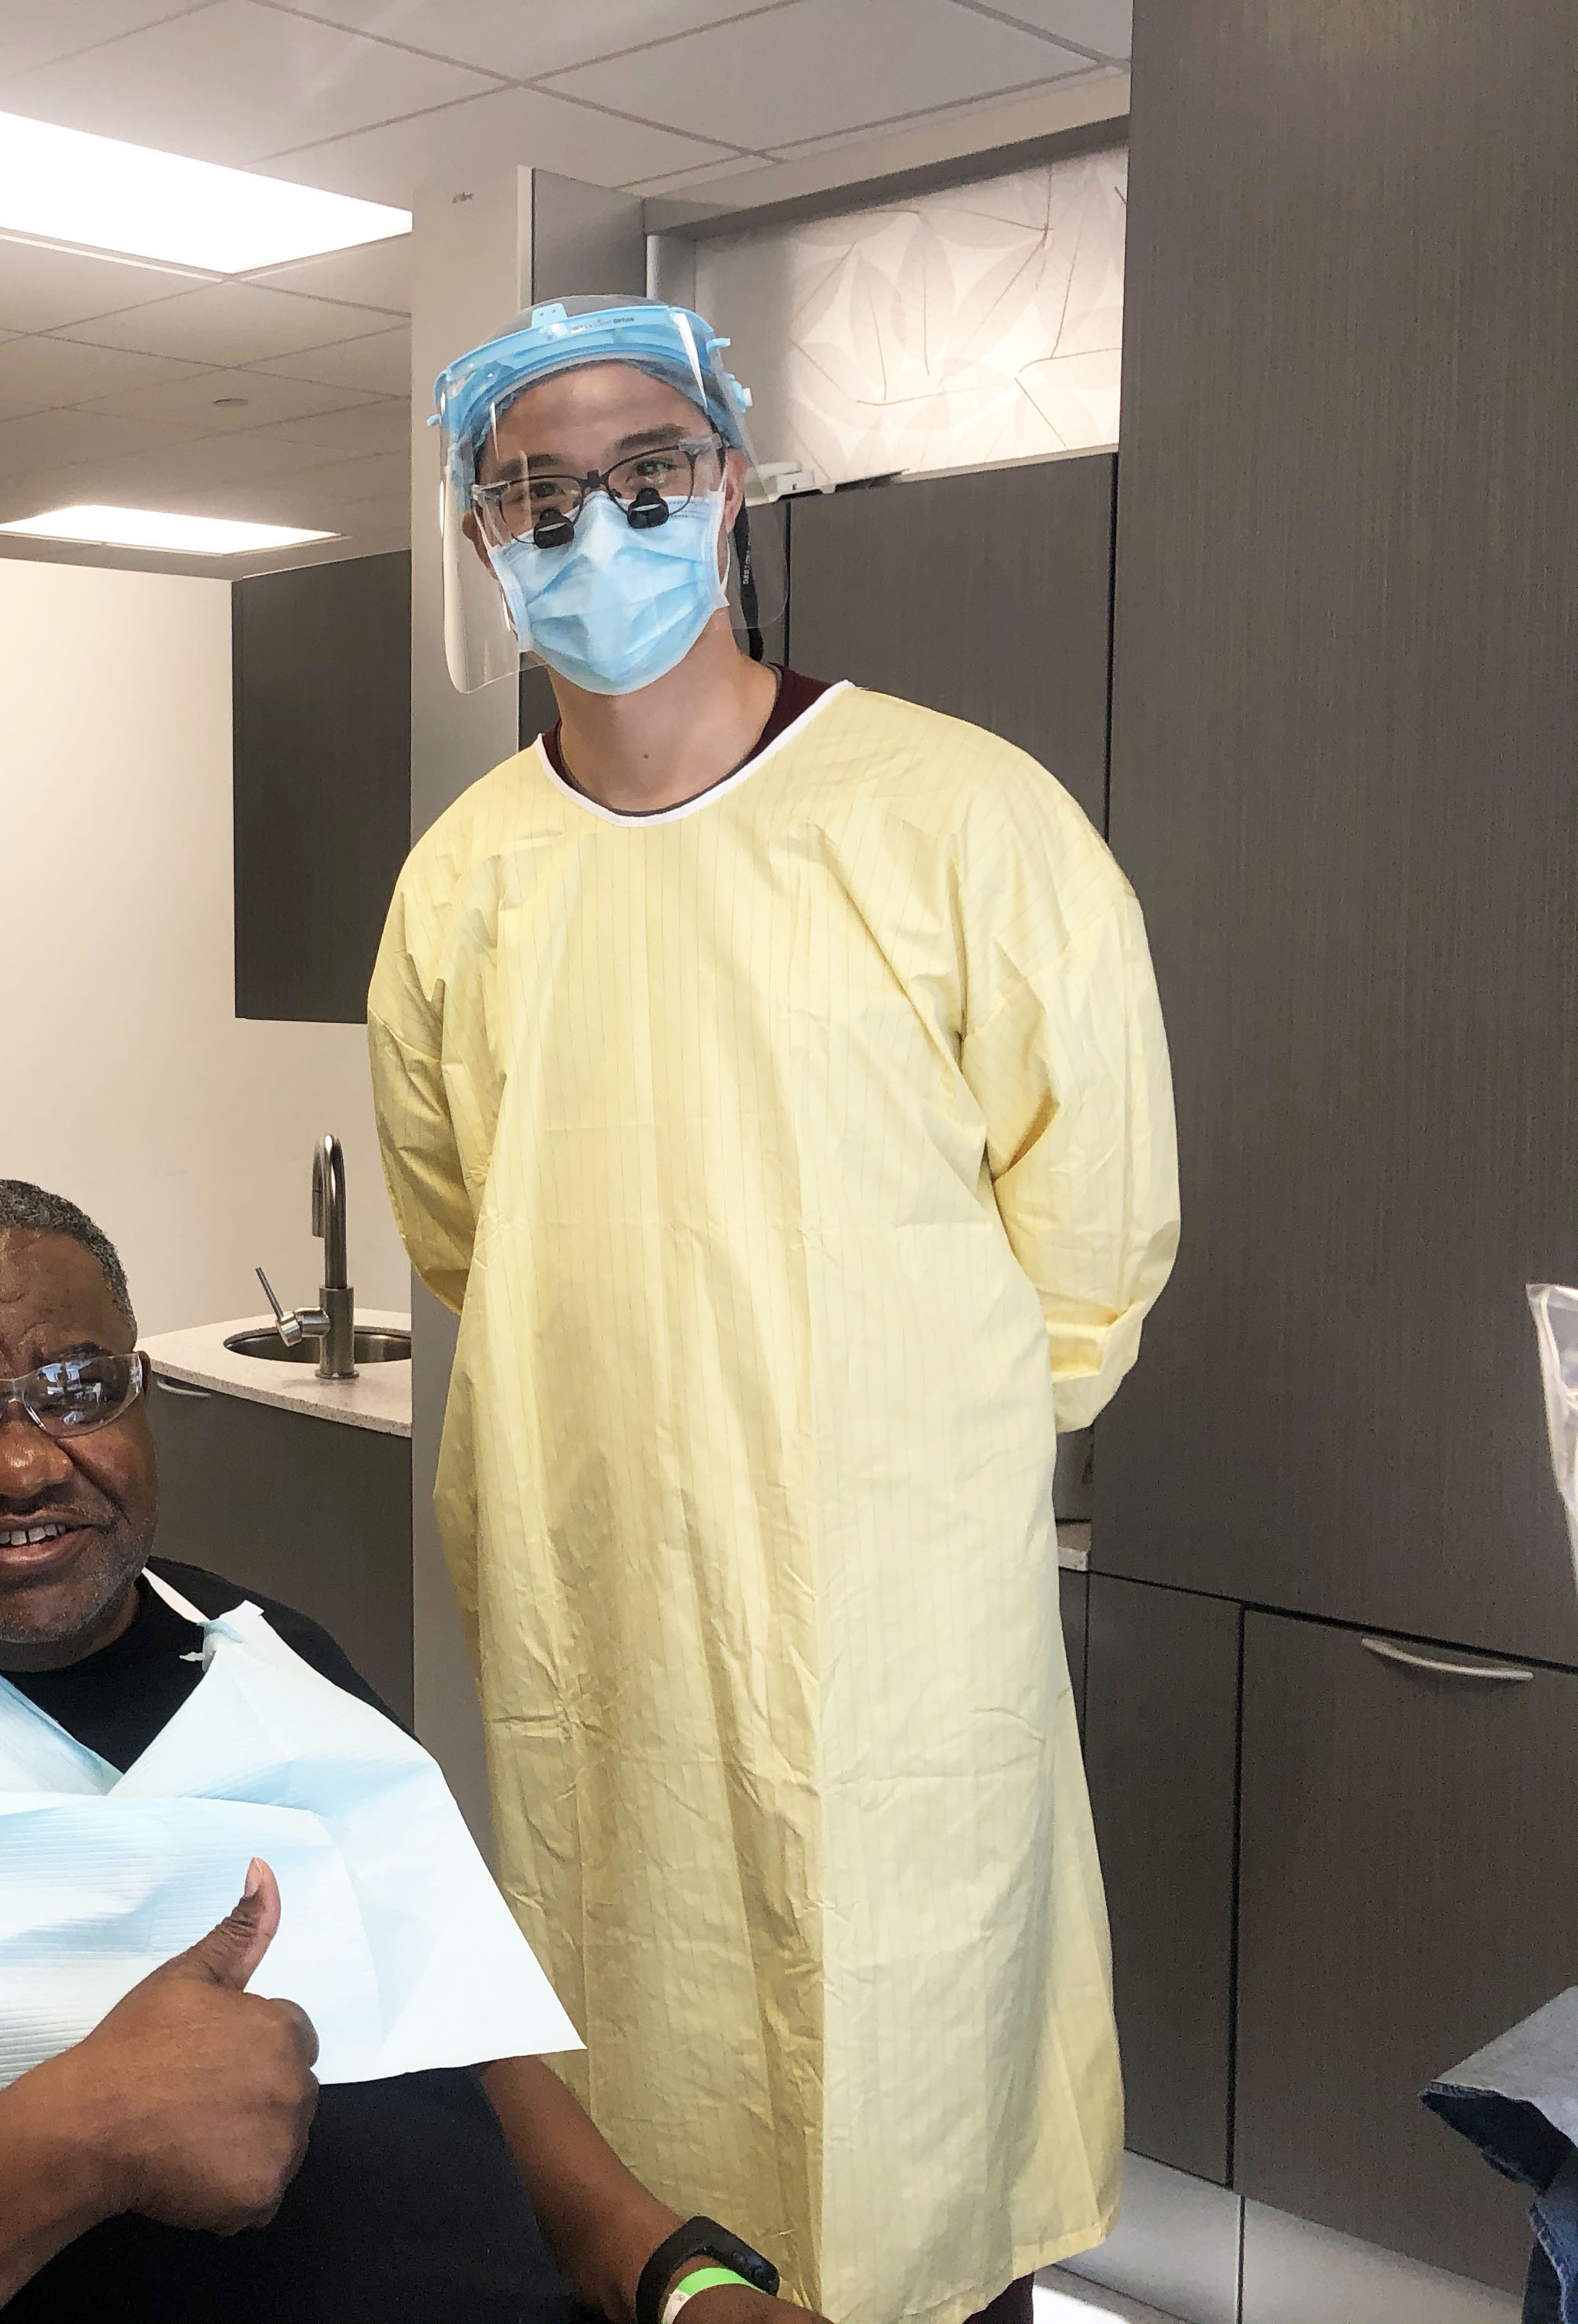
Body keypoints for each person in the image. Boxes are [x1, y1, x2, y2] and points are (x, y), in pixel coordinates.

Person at [369, 296, 1181, 2324]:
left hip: (896, 1655)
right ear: (482, 535)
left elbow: (1095, 1239)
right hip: (597, 1622)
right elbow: (471, 1231)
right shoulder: (462, 883)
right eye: (536, 492)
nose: (597, 525)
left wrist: (905, 1457)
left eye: (645, 470)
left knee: (911, 2146)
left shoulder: (960, 819)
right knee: (639, 2135)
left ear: (728, 482)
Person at [0, 1179, 837, 2324]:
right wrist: (70, 2148)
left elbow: (456, 2036)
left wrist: (676, 2277)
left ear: (144, 1402)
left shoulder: (284, 1663)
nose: (21, 1464)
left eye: (74, 1390)